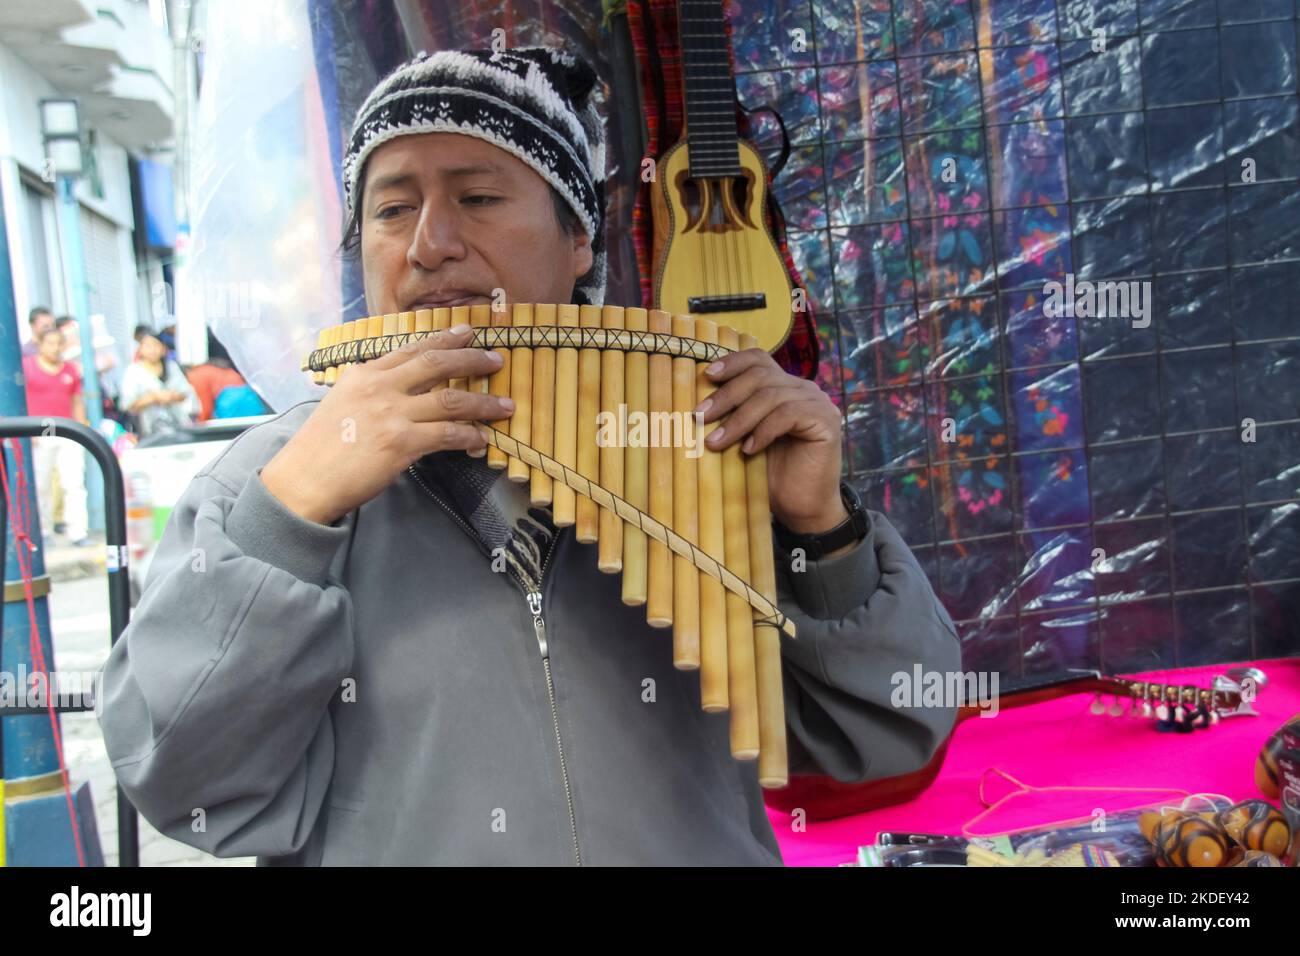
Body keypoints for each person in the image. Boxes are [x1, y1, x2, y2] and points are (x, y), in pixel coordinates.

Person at [99, 47, 961, 866]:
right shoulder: (263, 481)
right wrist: (287, 522)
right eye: (392, 209)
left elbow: (883, 734)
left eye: (477, 198)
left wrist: (822, 535)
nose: (430, 242)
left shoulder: (697, 441)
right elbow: (183, 786)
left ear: (579, 240)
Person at [22, 327, 91, 547]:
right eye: (49, 343)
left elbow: (77, 401)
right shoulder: (28, 367)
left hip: (67, 431)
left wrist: (82, 429)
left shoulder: (70, 370)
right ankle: (42, 531)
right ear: (40, 345)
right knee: (40, 485)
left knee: (74, 484)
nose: (54, 348)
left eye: (58, 343)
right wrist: (26, 430)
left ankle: (78, 531)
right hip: (38, 433)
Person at [119, 326, 199, 439]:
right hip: (148, 430)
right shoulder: (133, 371)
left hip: (178, 426)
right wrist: (153, 397)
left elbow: (185, 393)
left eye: (156, 345)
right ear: (140, 349)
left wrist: (171, 396)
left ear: (163, 348)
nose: (152, 350)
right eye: (148, 346)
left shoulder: (172, 367)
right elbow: (127, 405)